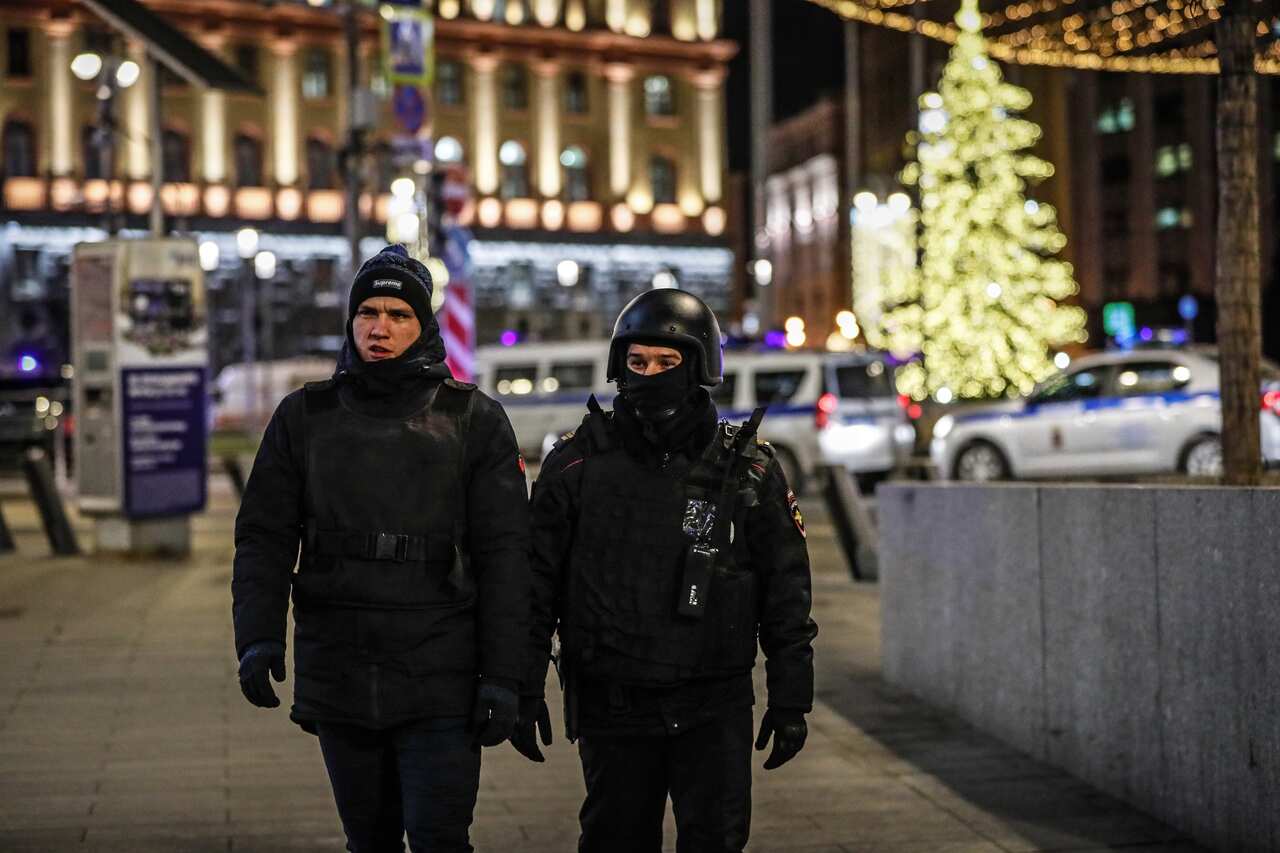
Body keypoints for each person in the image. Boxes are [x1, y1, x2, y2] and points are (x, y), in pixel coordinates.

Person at [231, 245, 529, 853]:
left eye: (398, 314)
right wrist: (257, 637)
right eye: (368, 310)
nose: (380, 326)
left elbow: (507, 559)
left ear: (423, 328)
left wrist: (506, 677)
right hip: (341, 665)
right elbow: (264, 538)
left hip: (441, 668)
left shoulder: (474, 421)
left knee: (439, 836)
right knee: (368, 839)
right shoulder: (303, 418)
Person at [513, 288, 818, 853]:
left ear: (699, 366)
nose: (649, 375)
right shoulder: (577, 465)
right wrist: (523, 685)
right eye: (637, 362)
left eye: (666, 362)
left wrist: (791, 696)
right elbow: (535, 588)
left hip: (713, 704)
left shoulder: (747, 469)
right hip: (613, 704)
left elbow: (786, 595)